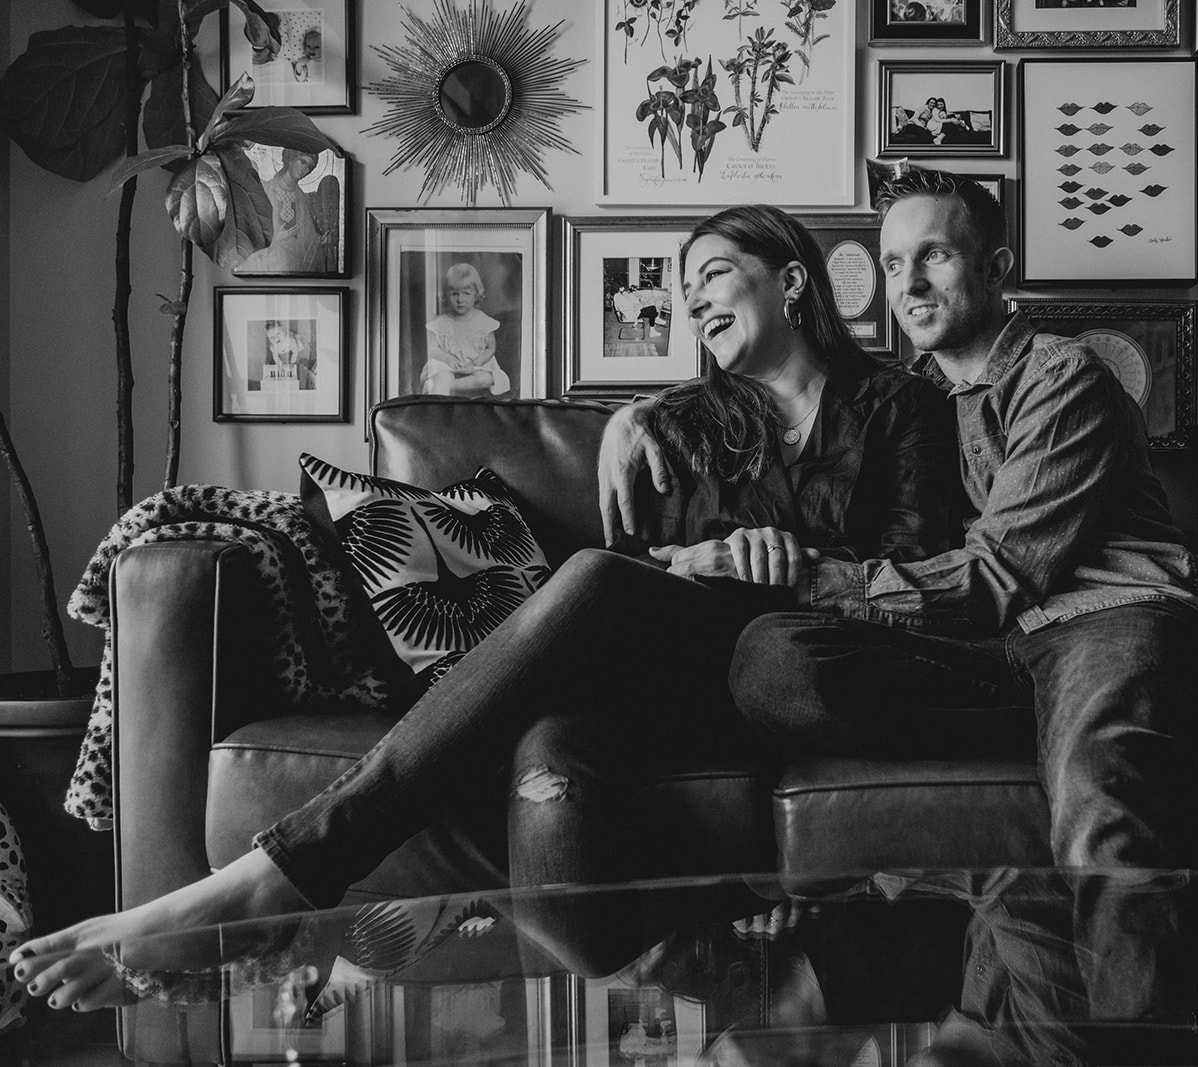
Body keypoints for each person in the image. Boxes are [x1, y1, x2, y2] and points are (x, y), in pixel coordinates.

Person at [10, 204, 964, 1010]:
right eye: (684, 291)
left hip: (801, 672)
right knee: (554, 727)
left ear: (792, 281)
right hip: (677, 671)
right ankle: (685, 984)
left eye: (715, 274)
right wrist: (704, 551)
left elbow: (921, 569)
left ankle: (278, 882)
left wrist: (797, 569)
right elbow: (644, 572)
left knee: (575, 622)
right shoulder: (671, 426)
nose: (695, 300)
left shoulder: (900, 407)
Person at [598, 168, 1198, 1026]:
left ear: (997, 266)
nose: (911, 284)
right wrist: (637, 412)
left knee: (1103, 818)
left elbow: (997, 574)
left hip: (1101, 618)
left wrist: (805, 574)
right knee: (776, 663)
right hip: (1001, 650)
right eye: (894, 265)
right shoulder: (919, 401)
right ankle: (1053, 744)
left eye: (933, 255)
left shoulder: (1062, 377)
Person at [234, 148, 339, 275]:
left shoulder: (301, 199)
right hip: (268, 260)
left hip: (295, 261)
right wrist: (276, 239)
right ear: (291, 159)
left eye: (310, 167)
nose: (305, 169)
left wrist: (319, 241)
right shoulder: (265, 189)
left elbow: (307, 235)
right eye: (303, 162)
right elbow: (250, 230)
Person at [421, 262, 511, 397]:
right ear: (446, 295)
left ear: (476, 294)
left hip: (474, 366)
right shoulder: (441, 323)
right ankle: (441, 388)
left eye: (466, 293)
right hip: (447, 366)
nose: (460, 299)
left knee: (486, 379)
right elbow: (432, 348)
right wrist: (447, 358)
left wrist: (476, 362)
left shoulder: (483, 322)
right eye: (454, 294)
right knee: (443, 376)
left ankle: (449, 387)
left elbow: (490, 348)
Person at [262, 319, 315, 390]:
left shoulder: (289, 340)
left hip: (289, 346)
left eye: (278, 333)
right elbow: (275, 356)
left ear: (283, 332)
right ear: (269, 339)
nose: (276, 338)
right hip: (282, 350)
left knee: (297, 342)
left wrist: (292, 362)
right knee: (272, 349)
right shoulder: (273, 347)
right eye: (272, 337)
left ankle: (296, 337)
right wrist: (280, 364)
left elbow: (295, 351)